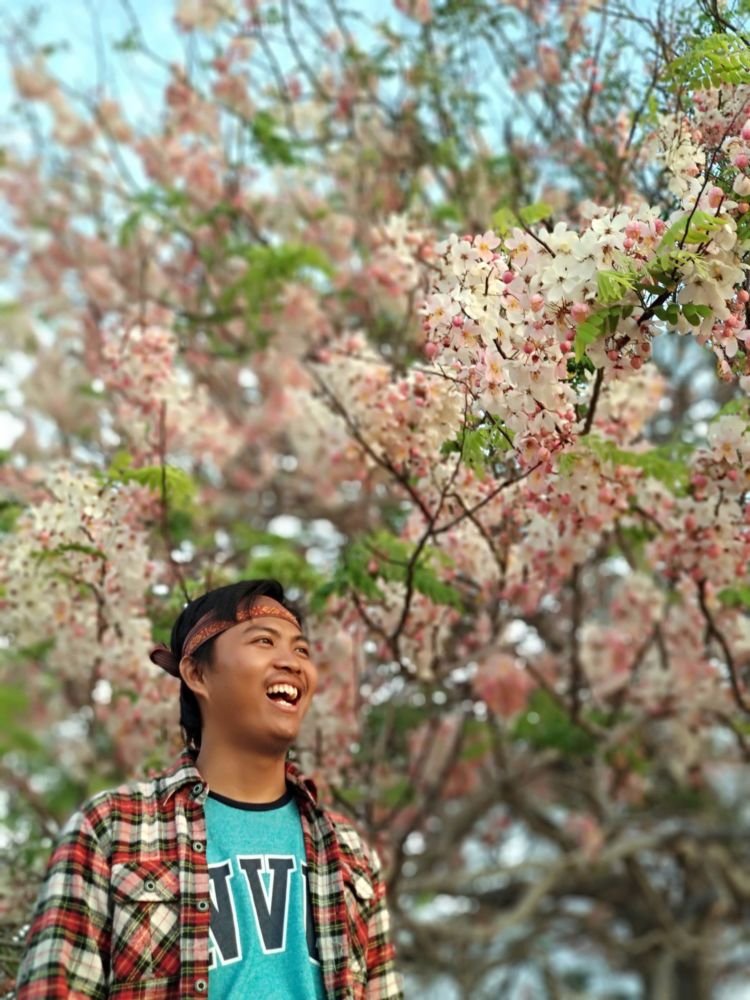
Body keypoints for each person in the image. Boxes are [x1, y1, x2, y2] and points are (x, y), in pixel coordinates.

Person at [16, 579, 403, 999]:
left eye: (301, 649)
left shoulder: (350, 854)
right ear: (197, 674)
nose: (291, 662)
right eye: (264, 641)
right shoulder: (113, 829)